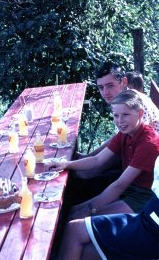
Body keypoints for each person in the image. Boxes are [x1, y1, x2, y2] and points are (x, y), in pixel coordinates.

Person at [46, 90, 159, 220]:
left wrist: (89, 209)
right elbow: (97, 160)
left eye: (125, 115)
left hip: (145, 197)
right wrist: (66, 164)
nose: (120, 121)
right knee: (72, 211)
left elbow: (119, 185)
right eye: (116, 115)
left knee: (81, 217)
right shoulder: (125, 133)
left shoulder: (148, 143)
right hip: (128, 189)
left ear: (140, 114)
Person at [48, 155, 159, 260]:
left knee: (75, 229)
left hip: (150, 235)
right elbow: (97, 159)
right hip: (143, 221)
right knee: (88, 252)